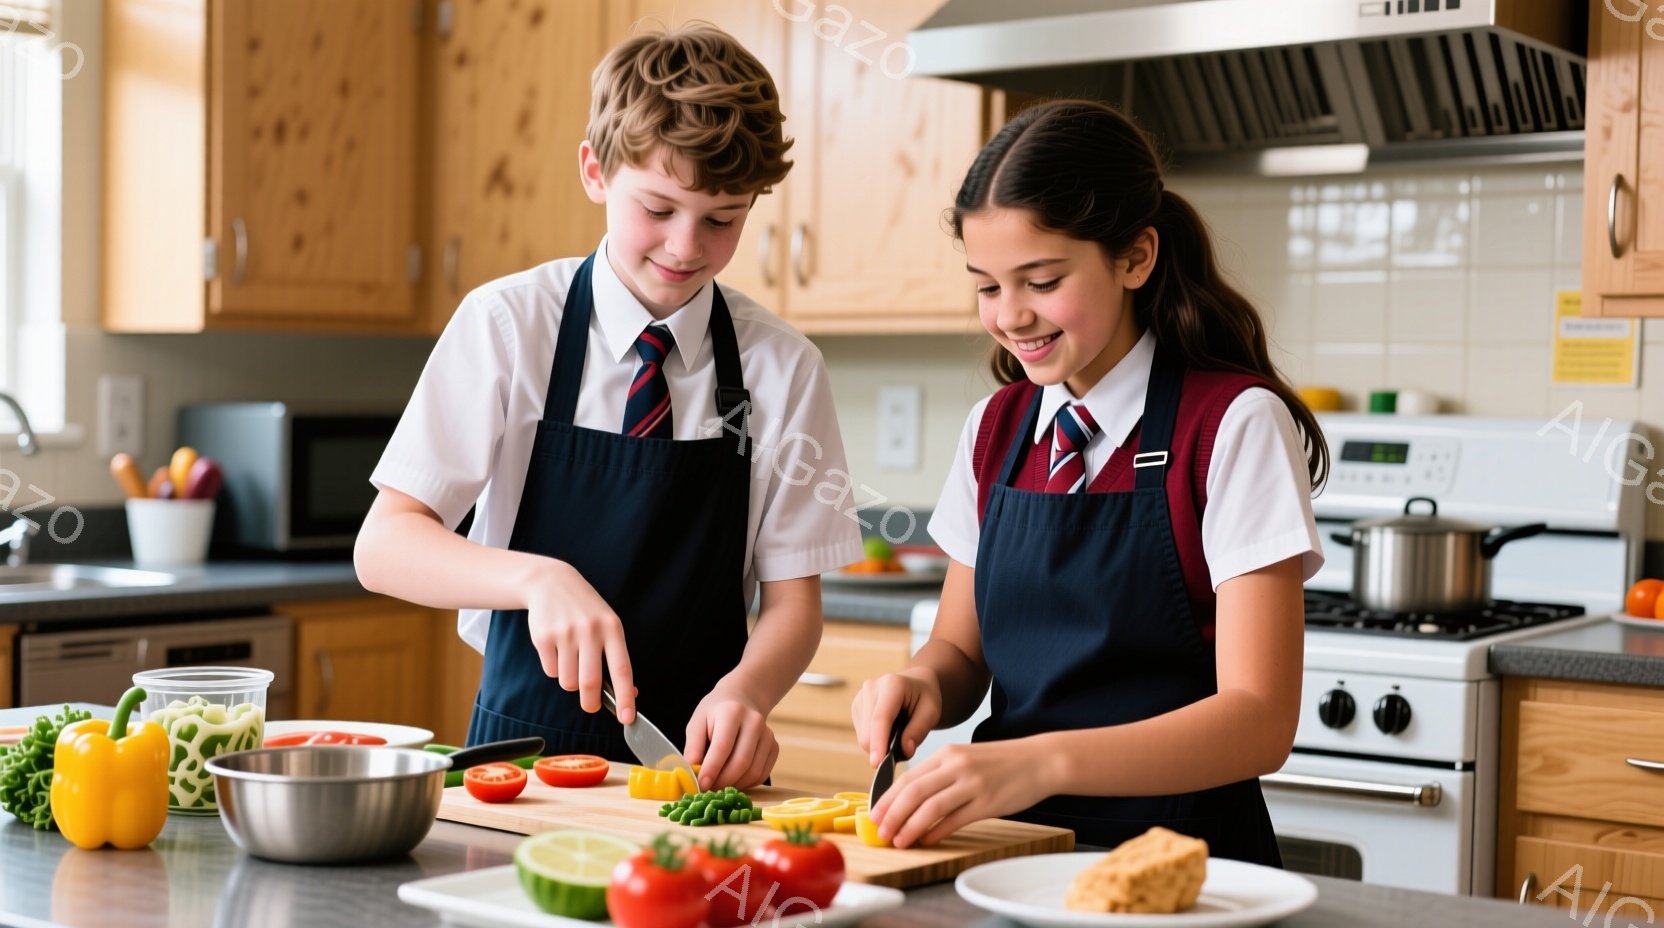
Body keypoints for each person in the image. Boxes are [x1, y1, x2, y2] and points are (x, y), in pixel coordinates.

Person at [356, 24, 863, 791]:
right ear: (595, 171)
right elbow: (384, 546)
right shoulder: (508, 325)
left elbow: (794, 602)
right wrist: (537, 580)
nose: (685, 246)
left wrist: (748, 694)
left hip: (695, 772)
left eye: (722, 218)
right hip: (517, 767)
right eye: (658, 207)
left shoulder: (780, 368)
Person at [851, 99, 1328, 863]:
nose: (1010, 315)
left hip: (1180, 866)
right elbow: (960, 650)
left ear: (1136, 257)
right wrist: (922, 684)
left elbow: (1260, 720)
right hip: (1007, 852)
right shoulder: (994, 430)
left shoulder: (1233, 424)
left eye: (1040, 280)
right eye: (986, 286)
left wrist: (1040, 762)